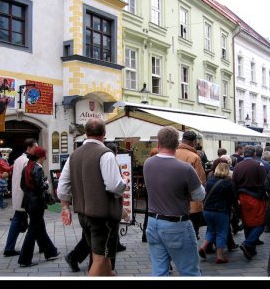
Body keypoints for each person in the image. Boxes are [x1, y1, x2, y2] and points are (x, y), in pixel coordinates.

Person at [57, 118, 129, 276]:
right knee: (99, 259)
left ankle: (109, 275)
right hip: (103, 216)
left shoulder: (74, 155)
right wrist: (124, 182)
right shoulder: (106, 154)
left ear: (85, 133)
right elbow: (113, 186)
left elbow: (63, 186)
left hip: (84, 214)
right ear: (104, 133)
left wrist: (65, 207)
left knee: (104, 256)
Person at [143, 126, 205, 276]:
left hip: (153, 223)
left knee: (159, 271)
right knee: (189, 271)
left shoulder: (148, 164)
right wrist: (185, 195)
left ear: (158, 144)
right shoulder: (185, 168)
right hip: (176, 224)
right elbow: (199, 196)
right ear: (177, 145)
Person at [18, 147, 60, 267]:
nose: (45, 159)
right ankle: (24, 259)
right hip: (37, 203)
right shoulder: (38, 169)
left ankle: (50, 252)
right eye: (44, 157)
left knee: (39, 228)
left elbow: (22, 186)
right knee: (33, 230)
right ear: (41, 157)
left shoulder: (26, 168)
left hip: (28, 202)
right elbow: (40, 186)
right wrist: (46, 184)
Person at [3, 138, 38, 257]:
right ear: (29, 147)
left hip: (19, 194)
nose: (36, 149)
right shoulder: (27, 161)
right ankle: (45, 246)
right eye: (35, 147)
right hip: (25, 195)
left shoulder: (18, 159)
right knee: (34, 221)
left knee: (20, 219)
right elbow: (29, 179)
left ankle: (9, 247)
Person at [232, 145, 267, 260]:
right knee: (261, 222)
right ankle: (248, 243)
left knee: (247, 222)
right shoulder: (258, 165)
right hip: (255, 198)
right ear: (253, 154)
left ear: (244, 154)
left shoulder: (238, 166)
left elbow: (234, 183)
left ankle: (250, 249)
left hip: (242, 197)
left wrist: (236, 197)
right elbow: (264, 182)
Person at [198, 162, 236, 264]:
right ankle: (219, 256)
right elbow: (232, 199)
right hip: (220, 211)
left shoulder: (209, 181)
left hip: (207, 211)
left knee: (211, 230)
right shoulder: (228, 184)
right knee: (222, 232)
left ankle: (202, 247)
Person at [175, 130, 206, 240]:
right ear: (193, 142)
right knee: (192, 233)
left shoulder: (173, 153)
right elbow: (201, 180)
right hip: (192, 201)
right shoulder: (195, 157)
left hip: (174, 202)